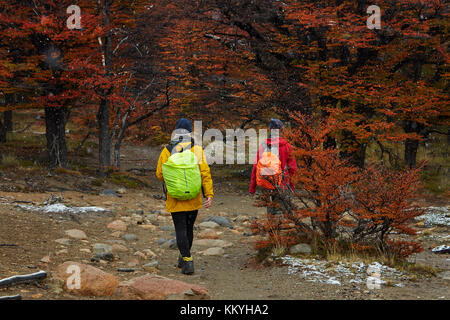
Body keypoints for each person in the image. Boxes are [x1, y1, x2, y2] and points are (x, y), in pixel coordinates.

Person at [156, 118, 213, 275]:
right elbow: (205, 173)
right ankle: (183, 258)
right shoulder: (197, 150)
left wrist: (175, 180)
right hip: (193, 197)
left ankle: (187, 261)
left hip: (175, 198)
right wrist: (208, 194)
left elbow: (160, 174)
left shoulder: (167, 150)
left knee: (180, 229)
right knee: (189, 228)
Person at [249, 118, 297, 214]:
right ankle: (279, 225)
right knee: (282, 208)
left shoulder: (264, 145)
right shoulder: (287, 146)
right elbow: (293, 168)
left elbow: (255, 166)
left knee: (270, 209)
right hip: (283, 182)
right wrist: (292, 185)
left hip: (267, 182)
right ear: (281, 130)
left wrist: (252, 187)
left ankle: (271, 226)